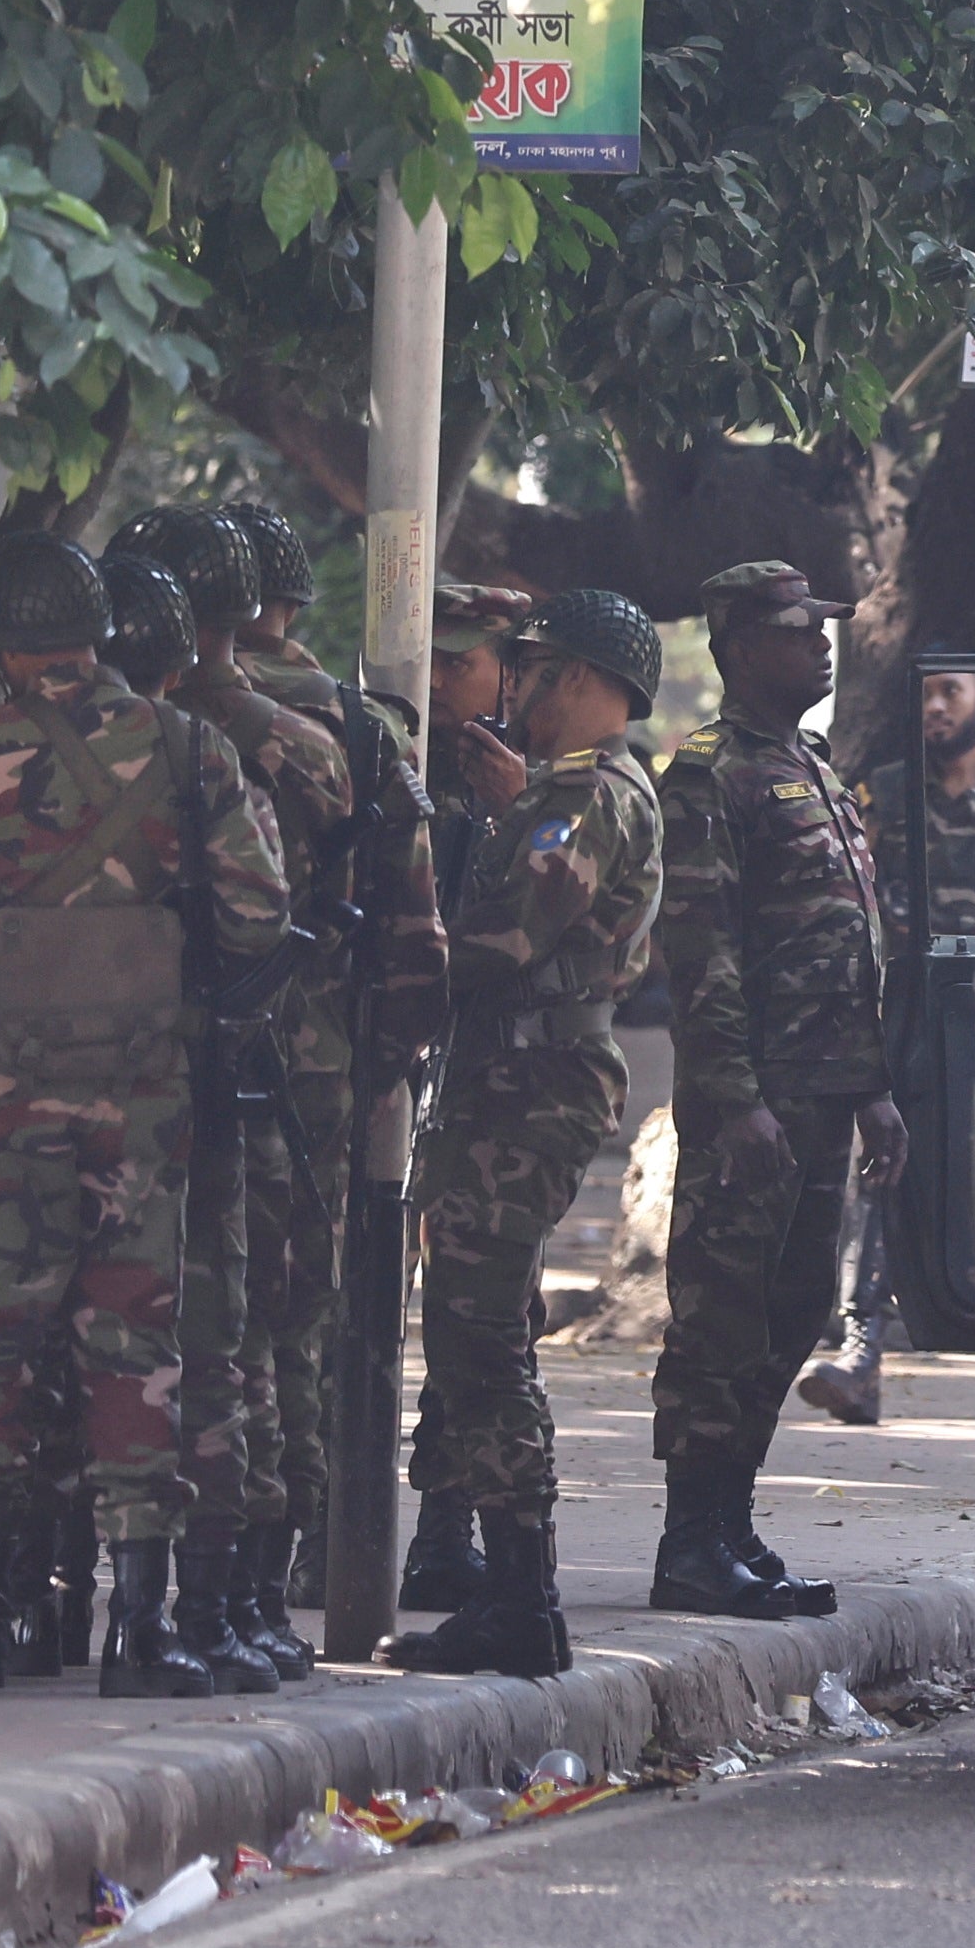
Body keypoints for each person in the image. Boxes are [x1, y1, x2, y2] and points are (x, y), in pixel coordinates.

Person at [0, 536, 286, 1696]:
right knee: (134, 1349)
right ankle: (141, 1632)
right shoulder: (187, 744)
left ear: (3, 642)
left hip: (0, 1105)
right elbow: (260, 920)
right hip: (143, 1107)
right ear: (104, 630)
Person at [392, 589, 664, 1677]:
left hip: (531, 1082)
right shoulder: (566, 790)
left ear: (596, 683)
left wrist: (392, 963)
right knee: (476, 1318)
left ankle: (521, 1595)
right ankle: (501, 1580)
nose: (530, 692)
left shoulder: (585, 796)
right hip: (511, 1077)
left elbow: (504, 940)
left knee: (478, 1332)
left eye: (548, 674)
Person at [107, 508, 336, 1689]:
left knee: (70, 1331)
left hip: (123, 1077)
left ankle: (22, 1605)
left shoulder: (0, 736)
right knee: (235, 1337)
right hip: (235, 1072)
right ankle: (216, 1602)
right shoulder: (281, 734)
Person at [649, 565, 904, 1621]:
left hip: (823, 1096)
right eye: (804, 631)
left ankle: (732, 1520)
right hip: (751, 1104)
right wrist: (735, 1097)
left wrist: (872, 1090)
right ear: (744, 646)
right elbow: (700, 955)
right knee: (722, 1318)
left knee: (795, 1308)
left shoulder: (810, 765)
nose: (824, 647)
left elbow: (850, 946)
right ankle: (689, 1537)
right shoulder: (711, 777)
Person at [218, 500, 444, 1634]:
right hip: (316, 1058)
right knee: (292, 1312)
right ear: (295, 599)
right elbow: (417, 933)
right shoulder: (356, 728)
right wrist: (388, 1062)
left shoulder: (162, 709)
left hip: (165, 1053)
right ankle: (283, 1557)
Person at [804, 660, 975, 1429]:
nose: (935, 706)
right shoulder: (885, 791)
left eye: (952, 689)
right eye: (925, 692)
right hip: (912, 1005)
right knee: (886, 1162)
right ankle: (863, 1350)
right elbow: (845, 886)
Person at [397, 579, 539, 1610]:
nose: (441, 677)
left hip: (484, 1086)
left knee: (481, 1311)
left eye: (462, 659)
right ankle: (320, 1527)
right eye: (430, 656)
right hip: (384, 1073)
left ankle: (446, 1528)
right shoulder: (390, 759)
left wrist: (517, 810)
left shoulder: (528, 784)